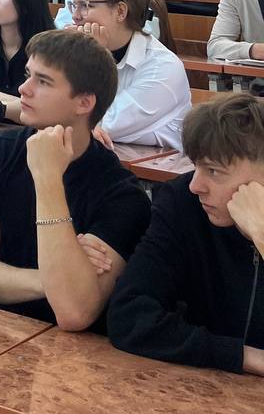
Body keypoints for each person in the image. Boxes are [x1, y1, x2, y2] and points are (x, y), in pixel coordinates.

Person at [0, 29, 151, 328]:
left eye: (43, 81)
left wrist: (47, 178)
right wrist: (53, 279)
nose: (23, 89)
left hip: (73, 349)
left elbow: (74, 311)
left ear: (84, 103)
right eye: (28, 75)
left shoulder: (122, 195)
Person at [108, 92, 264, 373]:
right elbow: (127, 316)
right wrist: (243, 356)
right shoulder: (182, 203)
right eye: (195, 166)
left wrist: (262, 234)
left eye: (214, 171)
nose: (195, 185)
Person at [68, 0, 190, 149]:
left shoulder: (164, 66)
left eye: (86, 6)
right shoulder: (79, 53)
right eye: (74, 6)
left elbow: (107, 122)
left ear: (120, 11)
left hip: (155, 165)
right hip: (105, 156)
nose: (76, 16)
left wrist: (93, 59)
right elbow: (50, 106)